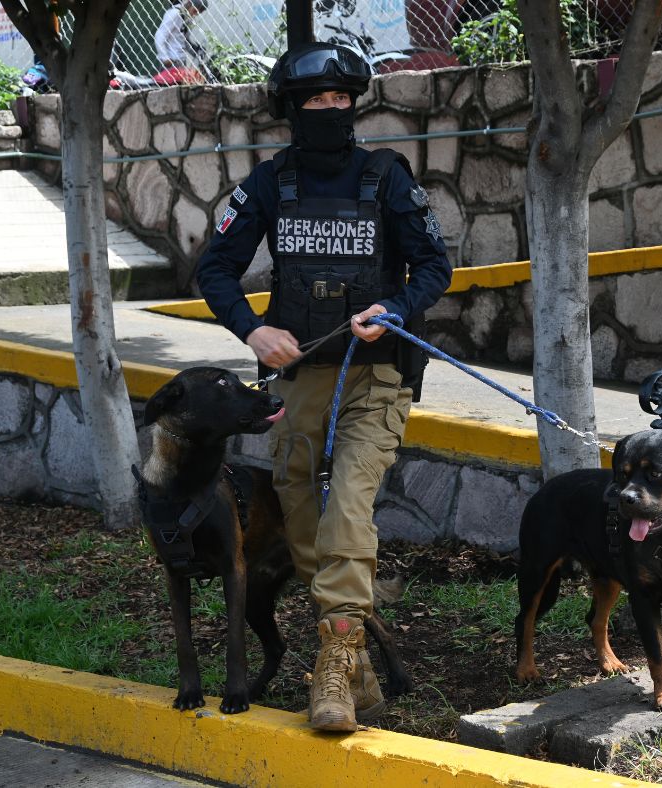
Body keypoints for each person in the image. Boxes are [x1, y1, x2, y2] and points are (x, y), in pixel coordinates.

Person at [196, 42, 452, 732]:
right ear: (293, 109)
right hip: (302, 372)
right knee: (299, 504)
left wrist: (396, 309)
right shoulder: (268, 186)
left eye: (341, 99)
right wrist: (253, 330)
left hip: (379, 375)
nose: (330, 111)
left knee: (348, 510)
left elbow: (435, 266)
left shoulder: (387, 177)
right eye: (316, 101)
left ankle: (333, 670)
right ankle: (358, 662)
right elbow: (214, 269)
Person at [155, 0, 207, 69]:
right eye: (194, 11)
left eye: (197, 13)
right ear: (189, 3)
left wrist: (195, 52)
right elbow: (160, 36)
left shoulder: (188, 18)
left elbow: (184, 40)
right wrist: (165, 58)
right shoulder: (175, 13)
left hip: (181, 60)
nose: (194, 15)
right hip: (171, 59)